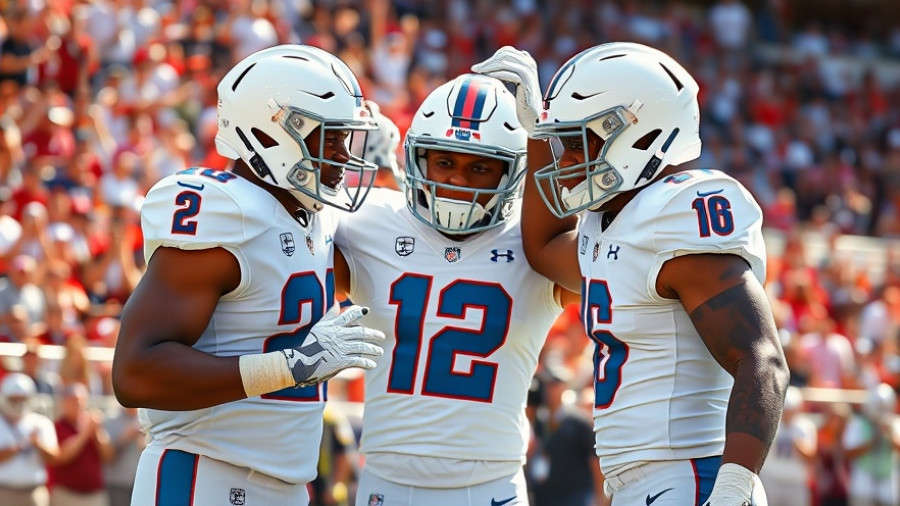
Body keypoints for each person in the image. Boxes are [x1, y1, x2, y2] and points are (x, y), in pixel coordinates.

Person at [472, 43, 789, 505]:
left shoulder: (675, 214)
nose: (564, 160)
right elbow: (542, 247)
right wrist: (538, 131)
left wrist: (735, 487)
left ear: (639, 136)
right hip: (638, 482)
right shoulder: (609, 222)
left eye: (578, 141)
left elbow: (762, 360)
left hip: (694, 476)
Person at [111, 44, 386, 506]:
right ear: (272, 132)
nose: (342, 157)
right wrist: (292, 366)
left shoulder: (310, 215)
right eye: (329, 137)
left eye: (346, 138)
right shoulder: (227, 212)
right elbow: (136, 373)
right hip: (204, 477)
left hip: (287, 484)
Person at [334, 72, 578, 506]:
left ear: (513, 172)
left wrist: (545, 132)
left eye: (480, 166)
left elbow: (608, 259)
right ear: (417, 159)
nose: (458, 181)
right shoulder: (367, 222)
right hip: (385, 485)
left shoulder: (536, 242)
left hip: (490, 488)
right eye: (444, 162)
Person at [49, 382, 114, 506]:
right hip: (66, 495)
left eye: (81, 400)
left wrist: (97, 432)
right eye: (74, 400)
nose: (78, 404)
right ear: (64, 402)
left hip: (94, 495)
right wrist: (85, 433)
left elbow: (108, 456)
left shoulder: (93, 425)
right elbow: (62, 455)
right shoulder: (58, 426)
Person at [0, 373, 58, 506]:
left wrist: (37, 443)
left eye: (22, 399)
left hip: (34, 492)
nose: (18, 404)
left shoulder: (41, 422)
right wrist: (19, 447)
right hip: (4, 492)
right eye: (14, 399)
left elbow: (54, 458)